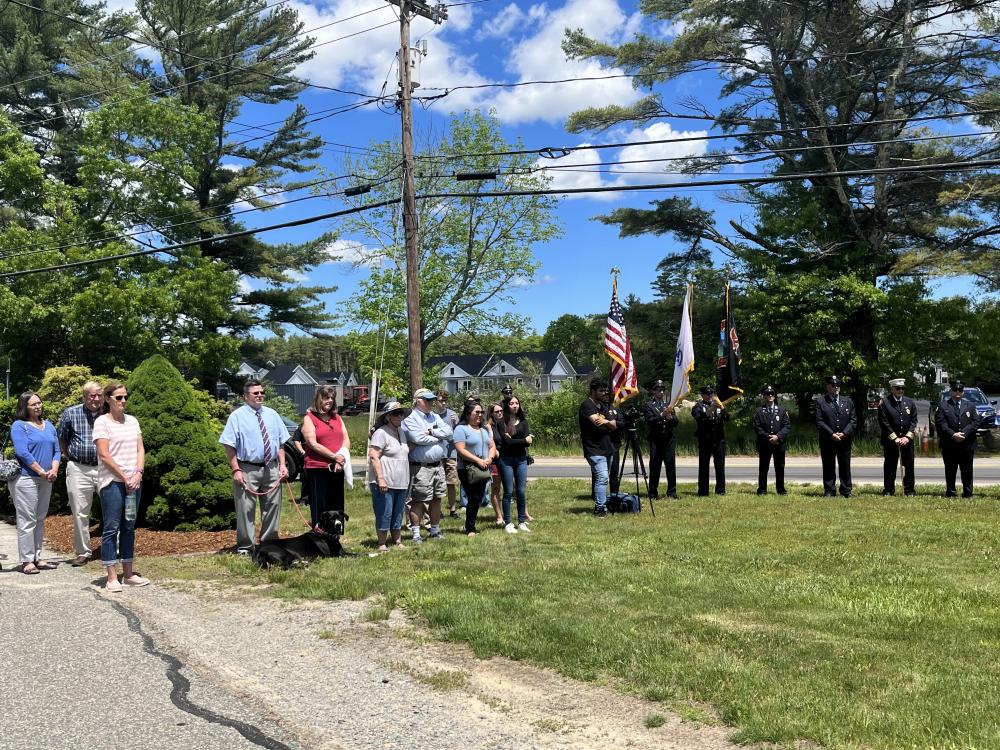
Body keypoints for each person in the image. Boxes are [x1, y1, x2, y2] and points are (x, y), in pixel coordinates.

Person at [219, 380, 289, 555]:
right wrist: (236, 469)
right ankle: (245, 547)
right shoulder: (237, 416)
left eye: (261, 392)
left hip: (271, 468)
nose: (260, 395)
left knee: (272, 507)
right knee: (245, 509)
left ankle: (269, 544)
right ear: (246, 396)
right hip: (247, 469)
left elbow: (281, 442)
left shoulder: (272, 415)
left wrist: (282, 465)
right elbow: (229, 445)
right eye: (255, 393)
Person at [93, 382, 148, 591]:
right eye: (118, 397)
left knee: (129, 527)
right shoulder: (102, 423)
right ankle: (111, 576)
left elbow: (140, 449)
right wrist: (124, 477)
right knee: (111, 528)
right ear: (108, 399)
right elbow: (104, 455)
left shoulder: (133, 421)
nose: (123, 401)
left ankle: (128, 573)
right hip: (113, 483)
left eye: (125, 397)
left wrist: (138, 473)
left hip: (133, 483)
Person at [9, 392, 60, 574]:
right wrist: (40, 471)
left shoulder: (49, 426)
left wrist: (53, 470)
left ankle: (38, 557)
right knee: (27, 520)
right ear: (25, 407)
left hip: (46, 478)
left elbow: (57, 451)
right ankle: (27, 560)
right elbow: (22, 452)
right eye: (33, 404)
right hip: (26, 478)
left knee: (39, 518)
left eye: (39, 403)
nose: (38, 406)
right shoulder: (19, 426)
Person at [57, 381, 105, 566]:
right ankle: (83, 552)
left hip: (104, 468)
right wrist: (69, 456)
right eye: (92, 395)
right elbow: (62, 437)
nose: (96, 399)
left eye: (99, 395)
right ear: (84, 397)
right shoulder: (71, 413)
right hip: (79, 468)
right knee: (80, 513)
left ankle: (112, 548)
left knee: (112, 509)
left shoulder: (108, 413)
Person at [401, 388, 453, 543]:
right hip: (420, 466)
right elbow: (417, 438)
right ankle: (416, 534)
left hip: (438, 465)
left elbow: (449, 432)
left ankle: (435, 530)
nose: (431, 402)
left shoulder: (434, 416)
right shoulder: (410, 417)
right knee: (418, 500)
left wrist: (431, 432)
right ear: (418, 401)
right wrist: (438, 437)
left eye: (432, 400)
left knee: (437, 498)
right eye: (427, 400)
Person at [301, 385, 351, 528]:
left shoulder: (337, 418)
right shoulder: (309, 418)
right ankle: (320, 536)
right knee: (320, 505)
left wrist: (341, 456)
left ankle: (335, 536)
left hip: (337, 467)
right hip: (318, 468)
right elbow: (312, 443)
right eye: (326, 398)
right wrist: (334, 457)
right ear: (318, 399)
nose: (329, 400)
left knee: (336, 504)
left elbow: (346, 439)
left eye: (332, 398)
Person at [366, 401, 410, 551]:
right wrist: (380, 479)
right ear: (387, 416)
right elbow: (374, 456)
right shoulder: (381, 433)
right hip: (385, 481)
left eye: (401, 413)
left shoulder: (401, 432)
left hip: (401, 481)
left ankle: (397, 540)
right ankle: (382, 543)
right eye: (395, 413)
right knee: (385, 512)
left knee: (398, 513)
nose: (399, 416)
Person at [453, 401, 497, 537]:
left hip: (483, 467)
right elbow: (460, 450)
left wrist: (489, 458)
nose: (480, 415)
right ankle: (470, 528)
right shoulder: (461, 429)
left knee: (477, 497)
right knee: (473, 497)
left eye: (481, 412)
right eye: (476, 412)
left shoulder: (483, 430)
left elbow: (492, 446)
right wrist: (478, 460)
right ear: (468, 414)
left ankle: (471, 525)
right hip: (467, 468)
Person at [934, 379, 982, 498]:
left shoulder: (970, 405)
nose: (957, 393)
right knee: (950, 469)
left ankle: (968, 492)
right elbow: (941, 423)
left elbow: (976, 422)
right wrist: (953, 434)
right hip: (949, 443)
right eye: (955, 390)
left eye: (960, 390)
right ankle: (951, 492)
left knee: (967, 470)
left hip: (967, 443)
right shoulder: (943, 405)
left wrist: (963, 433)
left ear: (963, 392)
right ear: (950, 391)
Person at [579, 378, 617, 517]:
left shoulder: (602, 406)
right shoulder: (587, 405)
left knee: (604, 478)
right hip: (594, 449)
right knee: (602, 477)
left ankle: (602, 504)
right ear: (593, 391)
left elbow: (614, 425)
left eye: (605, 390)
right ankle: (600, 508)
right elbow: (597, 423)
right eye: (601, 390)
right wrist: (607, 423)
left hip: (607, 448)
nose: (604, 393)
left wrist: (606, 421)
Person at [814, 375, 857, 498]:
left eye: (838, 385)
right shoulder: (821, 402)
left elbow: (853, 421)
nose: (836, 387)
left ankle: (846, 490)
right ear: (828, 386)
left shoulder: (847, 401)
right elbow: (819, 421)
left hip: (844, 439)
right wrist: (831, 434)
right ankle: (829, 490)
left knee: (845, 465)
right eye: (833, 385)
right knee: (828, 465)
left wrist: (844, 433)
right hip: (828, 439)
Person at [498, 395, 533, 533]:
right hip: (506, 459)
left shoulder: (523, 422)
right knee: (508, 492)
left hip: (521, 459)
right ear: (507, 405)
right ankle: (508, 523)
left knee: (521, 491)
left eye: (517, 403)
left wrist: (523, 440)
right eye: (512, 403)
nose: (515, 405)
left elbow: (529, 442)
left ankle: (522, 521)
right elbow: (507, 442)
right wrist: (524, 440)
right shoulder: (501, 422)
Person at [878, 378, 918, 496]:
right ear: (892, 389)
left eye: (902, 388)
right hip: (890, 441)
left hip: (907, 441)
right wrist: (895, 438)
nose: (901, 390)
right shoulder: (885, 403)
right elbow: (883, 422)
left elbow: (914, 421)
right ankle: (889, 489)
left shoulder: (909, 402)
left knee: (909, 465)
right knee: (890, 465)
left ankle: (909, 490)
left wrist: (907, 437)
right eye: (898, 388)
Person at [643, 379, 678, 499]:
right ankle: (653, 492)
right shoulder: (648, 405)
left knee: (670, 466)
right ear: (653, 391)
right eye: (658, 390)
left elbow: (676, 422)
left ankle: (672, 492)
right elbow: (650, 421)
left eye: (662, 389)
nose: (661, 392)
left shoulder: (668, 405)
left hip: (668, 440)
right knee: (655, 466)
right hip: (656, 440)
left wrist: (670, 418)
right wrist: (661, 415)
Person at [752, 385, 790, 495]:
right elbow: (757, 427)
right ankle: (762, 489)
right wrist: (768, 437)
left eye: (772, 394)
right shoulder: (759, 411)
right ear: (763, 396)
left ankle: (781, 489)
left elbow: (787, 426)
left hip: (779, 443)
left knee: (780, 468)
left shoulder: (782, 410)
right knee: (763, 468)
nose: (770, 396)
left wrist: (777, 436)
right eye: (767, 394)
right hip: (765, 443)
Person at [692, 385, 728, 496]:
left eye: (711, 393)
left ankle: (720, 490)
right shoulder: (698, 406)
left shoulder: (719, 405)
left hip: (719, 439)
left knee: (720, 466)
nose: (710, 395)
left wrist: (722, 408)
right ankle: (703, 491)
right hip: (705, 440)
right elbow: (700, 418)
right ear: (702, 395)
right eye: (707, 394)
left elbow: (727, 418)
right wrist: (711, 409)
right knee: (704, 466)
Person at [435, 390, 460, 517]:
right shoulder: (431, 415)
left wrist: (455, 423)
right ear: (435, 401)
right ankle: (437, 511)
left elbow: (458, 433)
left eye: (445, 400)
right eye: (441, 400)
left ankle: (453, 510)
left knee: (451, 483)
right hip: (437, 454)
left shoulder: (452, 415)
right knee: (438, 484)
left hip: (450, 453)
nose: (443, 403)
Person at [486, 402, 505, 525]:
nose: (499, 413)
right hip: (496, 460)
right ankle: (499, 516)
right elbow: (490, 441)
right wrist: (496, 452)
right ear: (491, 413)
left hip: (507, 459)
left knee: (511, 487)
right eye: (497, 411)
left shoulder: (505, 423)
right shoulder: (489, 426)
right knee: (496, 488)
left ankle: (507, 514)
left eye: (501, 411)